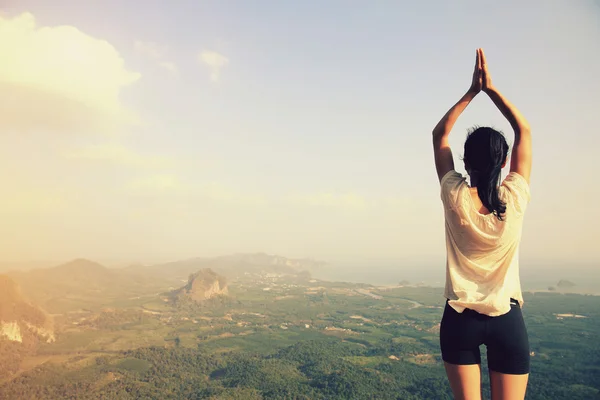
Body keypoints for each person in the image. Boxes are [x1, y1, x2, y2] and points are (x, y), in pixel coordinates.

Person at [432, 48, 532, 400]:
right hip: (507, 319)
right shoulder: (515, 199)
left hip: (460, 319)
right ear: (503, 163)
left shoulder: (454, 195)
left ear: (465, 161)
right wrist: (492, 89)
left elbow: (439, 135)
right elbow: (523, 130)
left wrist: (472, 92)